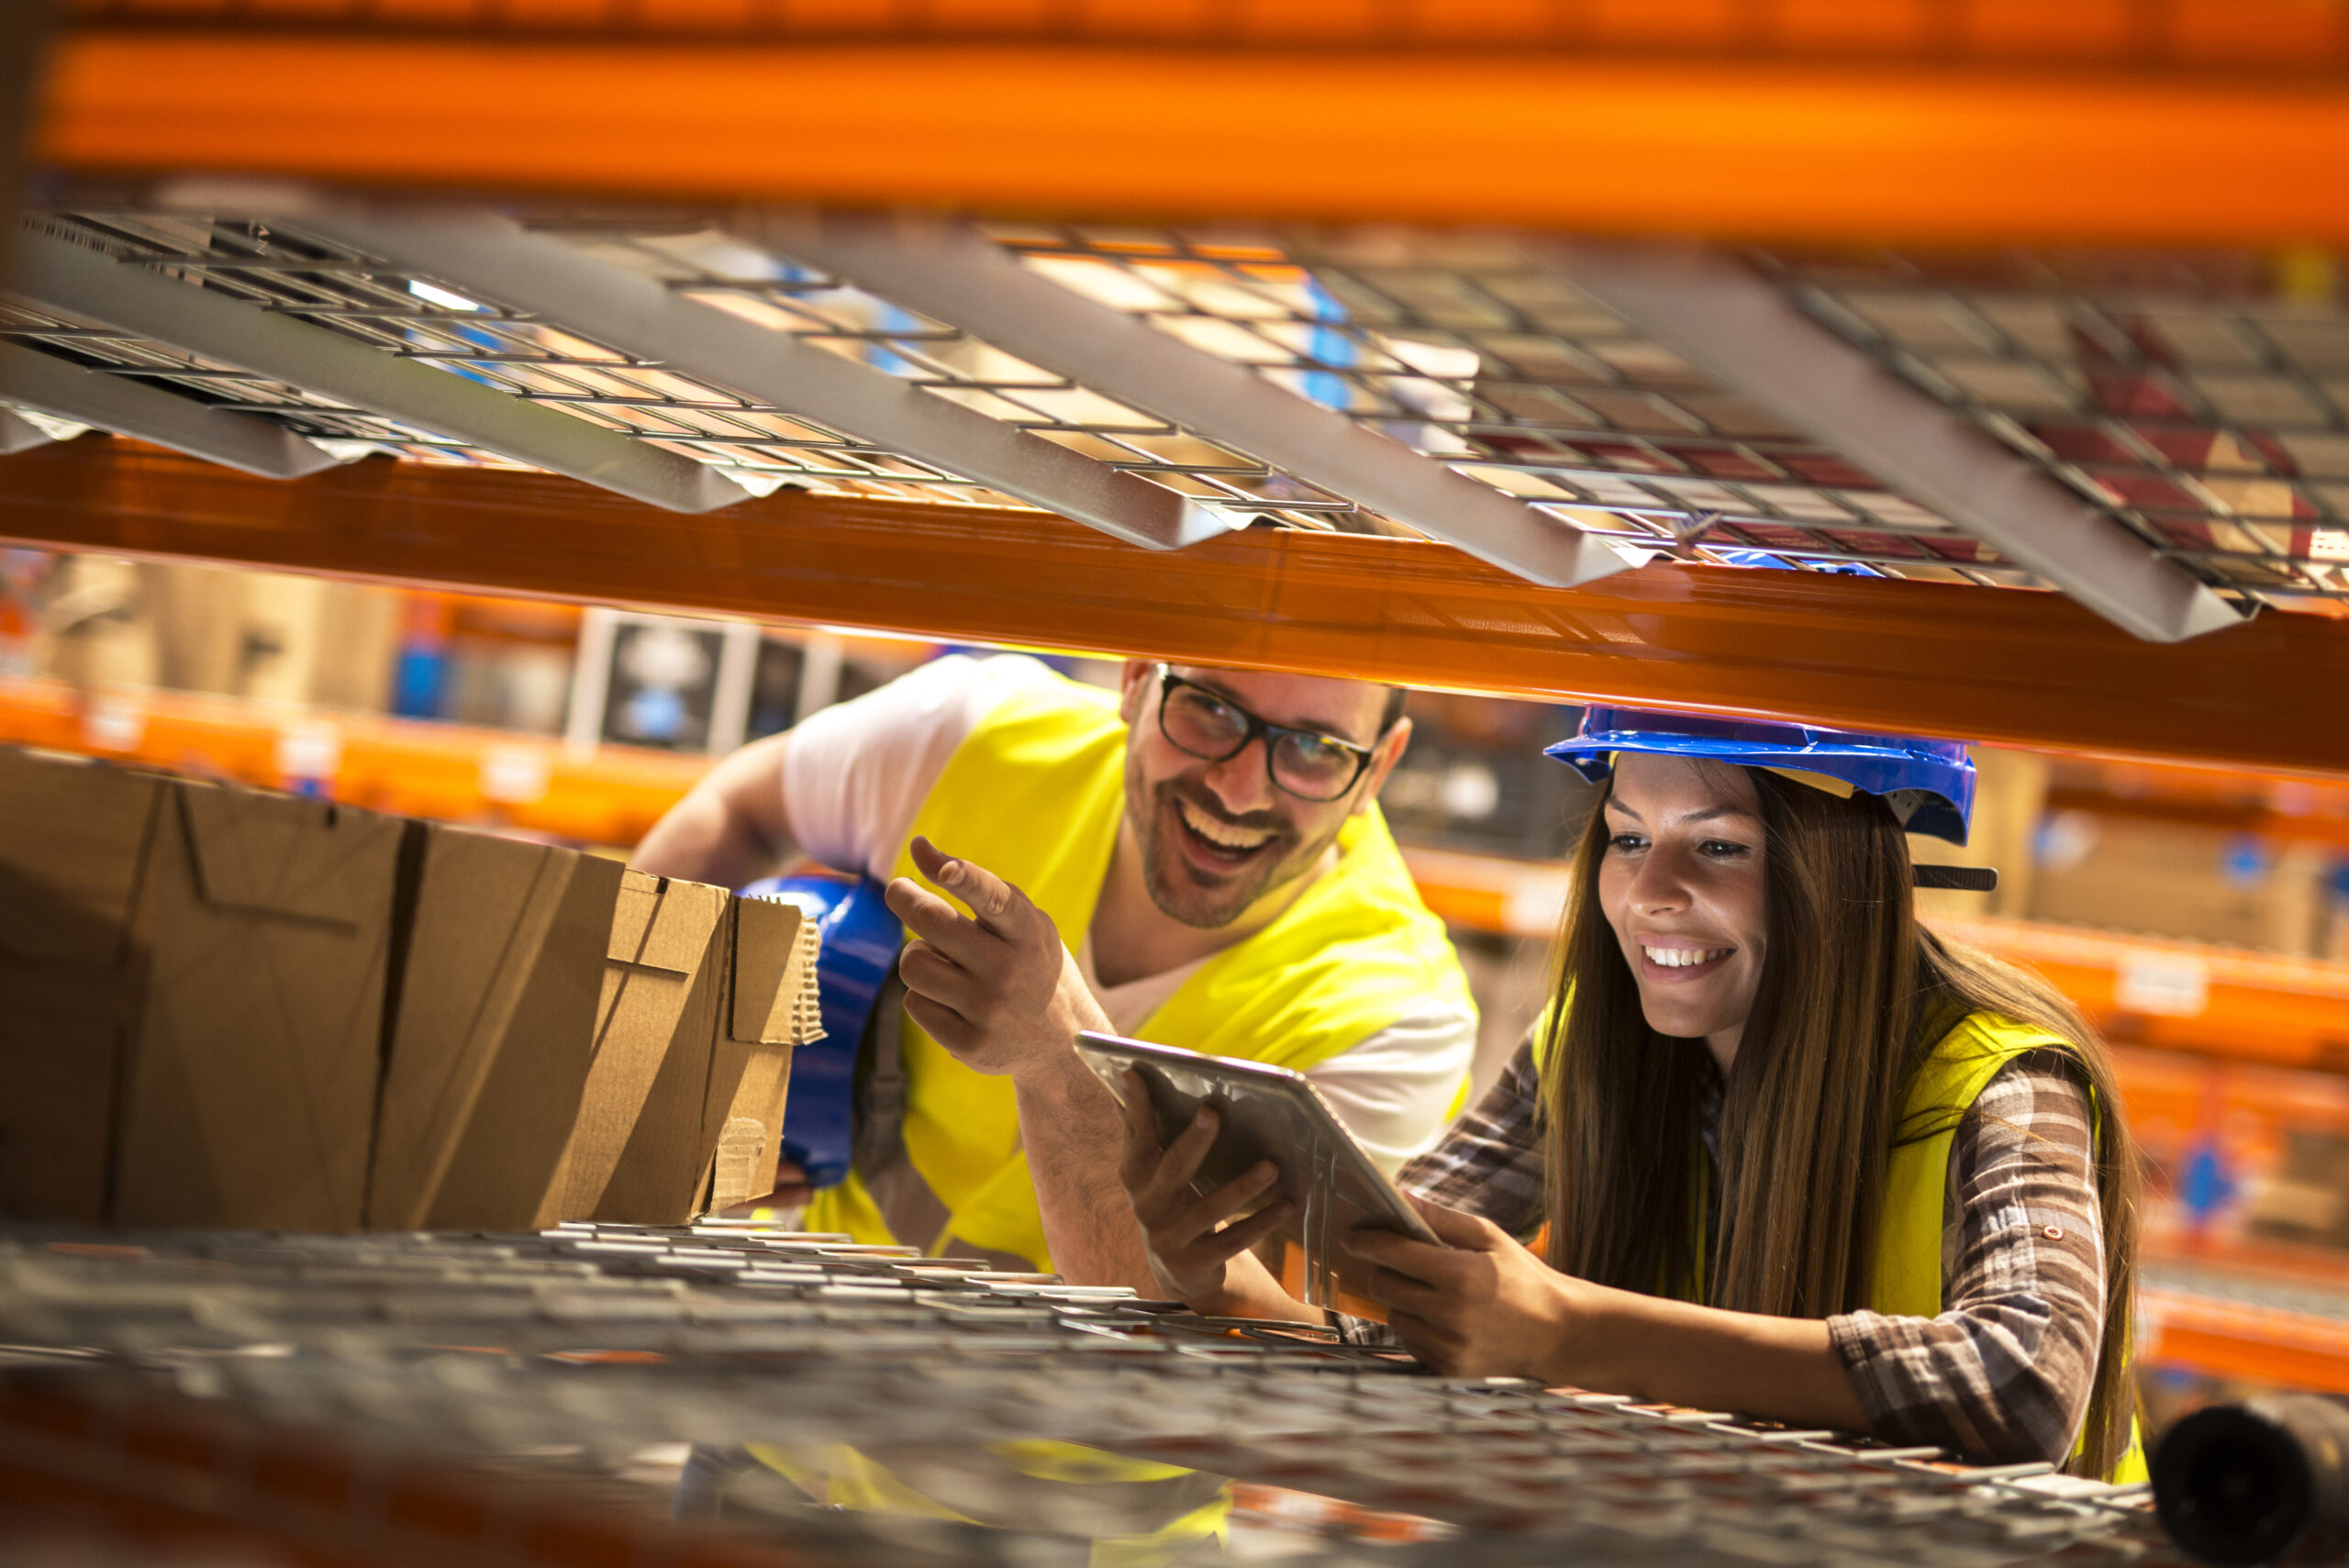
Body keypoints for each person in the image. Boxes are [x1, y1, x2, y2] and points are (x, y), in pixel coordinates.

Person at [1118, 706, 2144, 1480]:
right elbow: (1417, 1279)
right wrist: (1226, 1275)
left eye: (1721, 844)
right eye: (1625, 835)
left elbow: (2025, 1378)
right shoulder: (1586, 1044)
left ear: (1845, 869)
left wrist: (1575, 1333)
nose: (1650, 889)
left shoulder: (1999, 1081)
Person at [633, 652, 1476, 1287]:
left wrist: (1053, 1052)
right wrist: (651, 1085)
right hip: (774, 1426)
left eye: (1315, 749)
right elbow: (733, 808)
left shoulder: (1396, 1015)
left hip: (1065, 1507)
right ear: (1139, 678)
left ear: (1383, 766)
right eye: (1212, 710)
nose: (1243, 788)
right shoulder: (973, 733)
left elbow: (1231, 1336)